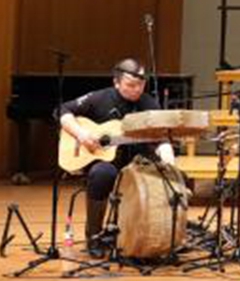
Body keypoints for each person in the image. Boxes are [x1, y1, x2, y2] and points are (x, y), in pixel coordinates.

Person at [56, 59, 177, 252]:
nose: (137, 89)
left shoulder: (149, 104)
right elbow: (63, 110)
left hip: (137, 162)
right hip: (102, 160)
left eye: (141, 85)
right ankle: (94, 236)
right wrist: (81, 134)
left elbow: (160, 134)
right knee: (102, 173)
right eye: (131, 85)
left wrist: (165, 148)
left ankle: (151, 236)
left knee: (169, 175)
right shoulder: (100, 98)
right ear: (116, 82)